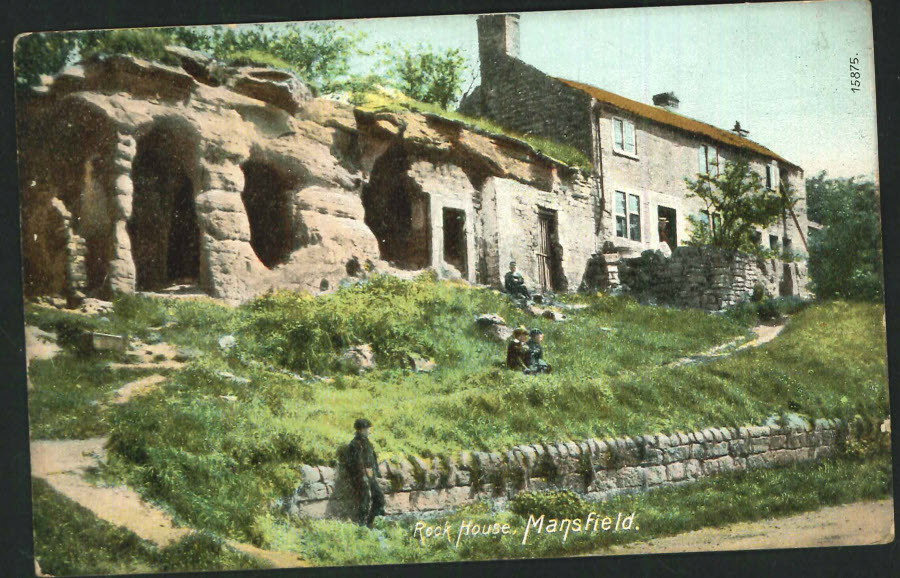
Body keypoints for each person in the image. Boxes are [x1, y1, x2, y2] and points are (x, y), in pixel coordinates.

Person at [345, 418, 385, 528]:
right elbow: (356, 462)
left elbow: (373, 460)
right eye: (366, 429)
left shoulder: (367, 443)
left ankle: (371, 522)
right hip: (360, 477)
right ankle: (362, 525)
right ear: (360, 430)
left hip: (370, 476)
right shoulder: (354, 444)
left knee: (379, 498)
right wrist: (363, 476)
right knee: (364, 501)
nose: (368, 431)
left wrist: (376, 475)